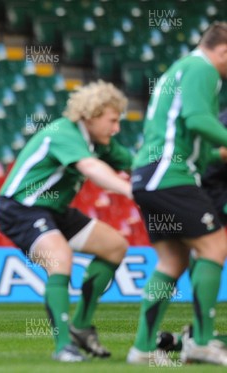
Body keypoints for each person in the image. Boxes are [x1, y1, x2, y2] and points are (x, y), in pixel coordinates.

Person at [0, 80, 133, 362]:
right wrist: (131, 190)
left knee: (115, 246)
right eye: (112, 120)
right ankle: (63, 348)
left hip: (52, 210)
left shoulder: (99, 141)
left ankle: (81, 326)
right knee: (60, 259)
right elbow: (90, 167)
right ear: (92, 116)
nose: (116, 128)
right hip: (20, 207)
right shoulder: (64, 131)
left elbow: (138, 164)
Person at [127, 22, 227, 366]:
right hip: (171, 174)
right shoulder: (203, 68)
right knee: (215, 246)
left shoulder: (180, 69)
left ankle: (142, 348)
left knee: (172, 261)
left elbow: (185, 132)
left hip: (149, 175)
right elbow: (198, 119)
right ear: (224, 51)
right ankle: (201, 341)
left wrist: (217, 154)